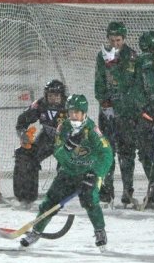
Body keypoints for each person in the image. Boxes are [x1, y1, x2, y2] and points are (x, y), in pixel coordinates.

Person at [20, 94, 113, 251]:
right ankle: (36, 232)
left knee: (90, 199)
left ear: (84, 113)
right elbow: (58, 152)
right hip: (68, 172)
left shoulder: (92, 130)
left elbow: (107, 154)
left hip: (89, 172)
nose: (73, 116)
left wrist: (96, 173)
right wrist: (68, 147)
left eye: (77, 112)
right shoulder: (63, 128)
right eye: (71, 112)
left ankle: (100, 231)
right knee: (50, 202)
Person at [94, 21, 136, 204]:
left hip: (125, 112)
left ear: (124, 39)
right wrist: (104, 103)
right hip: (107, 112)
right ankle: (106, 188)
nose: (115, 43)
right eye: (112, 40)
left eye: (118, 40)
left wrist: (113, 63)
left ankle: (128, 189)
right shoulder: (101, 56)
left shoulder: (131, 56)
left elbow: (127, 81)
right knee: (106, 150)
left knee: (126, 152)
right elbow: (99, 81)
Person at [13, 79, 67, 205]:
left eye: (57, 96)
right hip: (47, 137)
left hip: (65, 140)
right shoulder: (40, 104)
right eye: (50, 95)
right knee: (26, 156)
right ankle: (26, 197)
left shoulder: (70, 106)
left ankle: (61, 196)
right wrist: (23, 135)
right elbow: (22, 121)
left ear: (62, 96)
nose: (53, 99)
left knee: (66, 167)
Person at [131, 30, 154, 205]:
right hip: (146, 114)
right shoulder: (141, 62)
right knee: (145, 151)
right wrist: (145, 108)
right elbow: (137, 87)